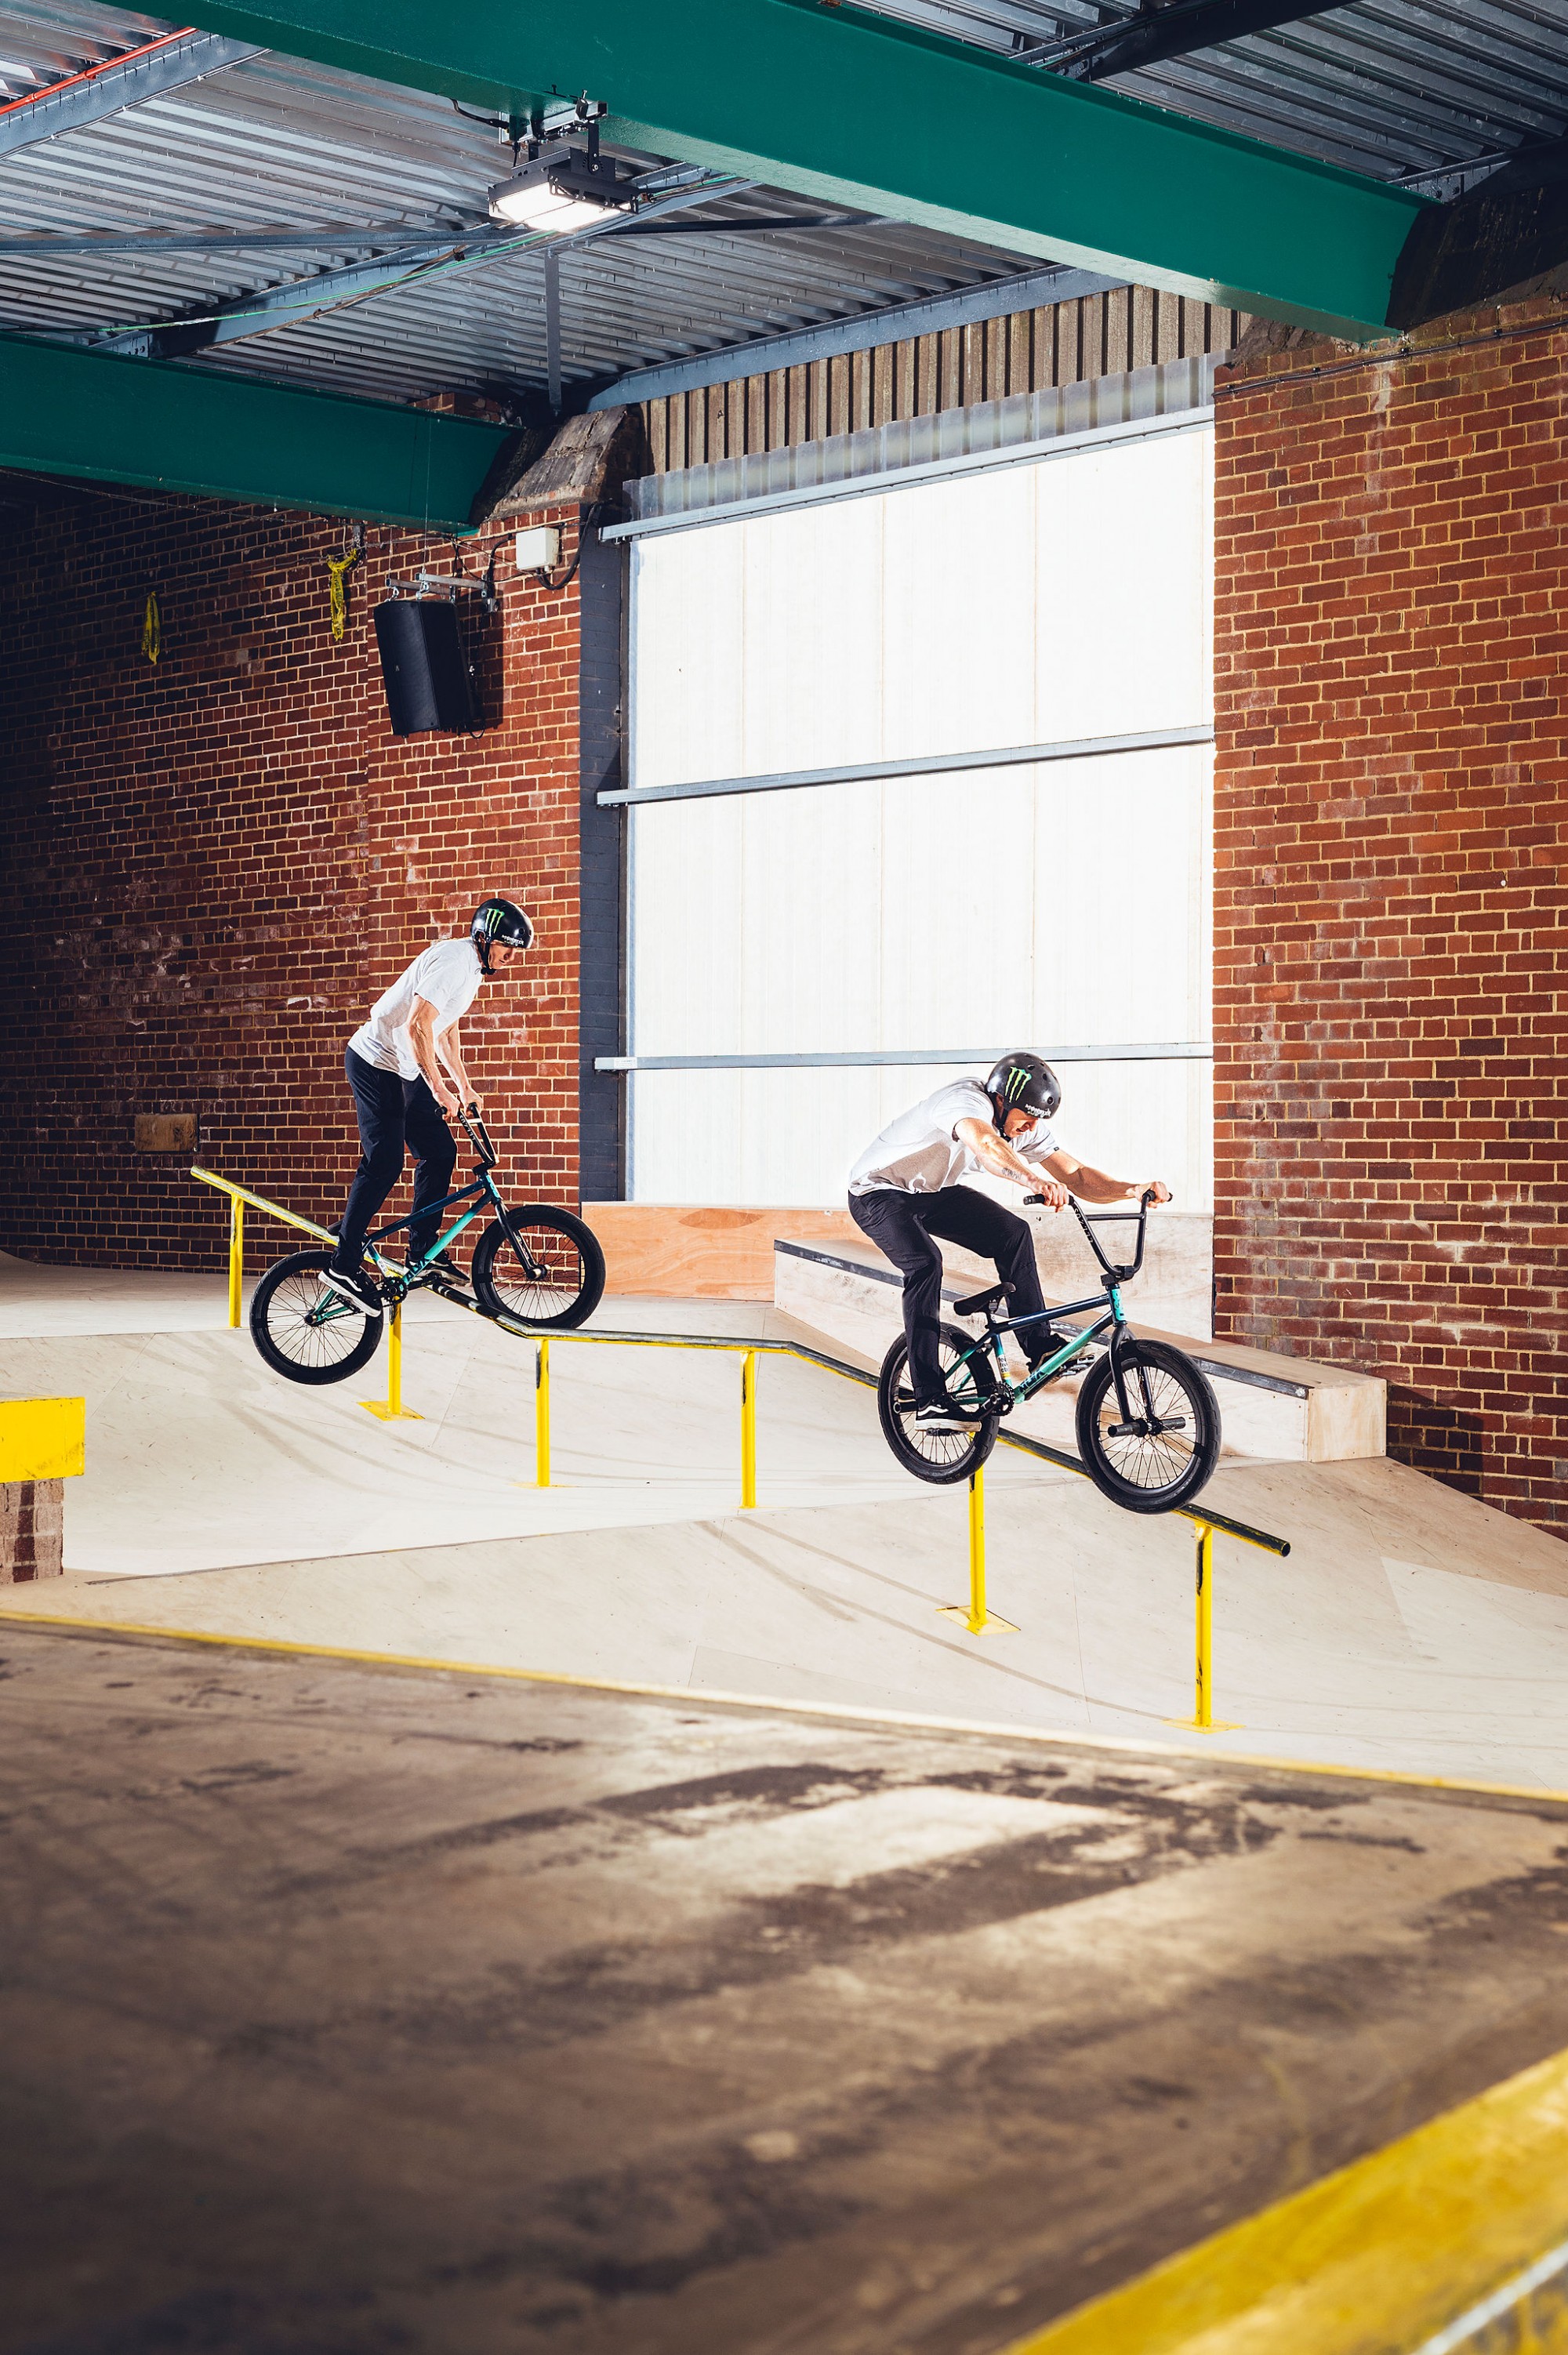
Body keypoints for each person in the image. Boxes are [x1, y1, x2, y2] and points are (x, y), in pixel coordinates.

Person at [848, 1052, 1171, 1426]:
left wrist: (1132, 1189)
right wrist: (1033, 1180)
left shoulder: (1025, 1126)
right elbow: (987, 1145)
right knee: (925, 1264)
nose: (1031, 1127)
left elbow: (1077, 1175)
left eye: (1038, 1120)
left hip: (932, 1193)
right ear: (1001, 1100)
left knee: (1013, 1234)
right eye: (1027, 1117)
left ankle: (1040, 1347)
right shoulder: (965, 1102)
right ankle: (928, 1397)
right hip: (876, 1192)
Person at [321, 897, 533, 1311]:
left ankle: (421, 1252)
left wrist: (464, 1086)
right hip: (375, 1061)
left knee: (439, 1152)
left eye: (515, 951)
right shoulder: (454, 962)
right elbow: (417, 1025)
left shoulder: (474, 971)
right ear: (485, 937)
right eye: (507, 948)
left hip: (405, 1067)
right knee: (385, 1162)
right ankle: (343, 1264)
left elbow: (444, 1030)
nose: (511, 958)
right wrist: (439, 1089)